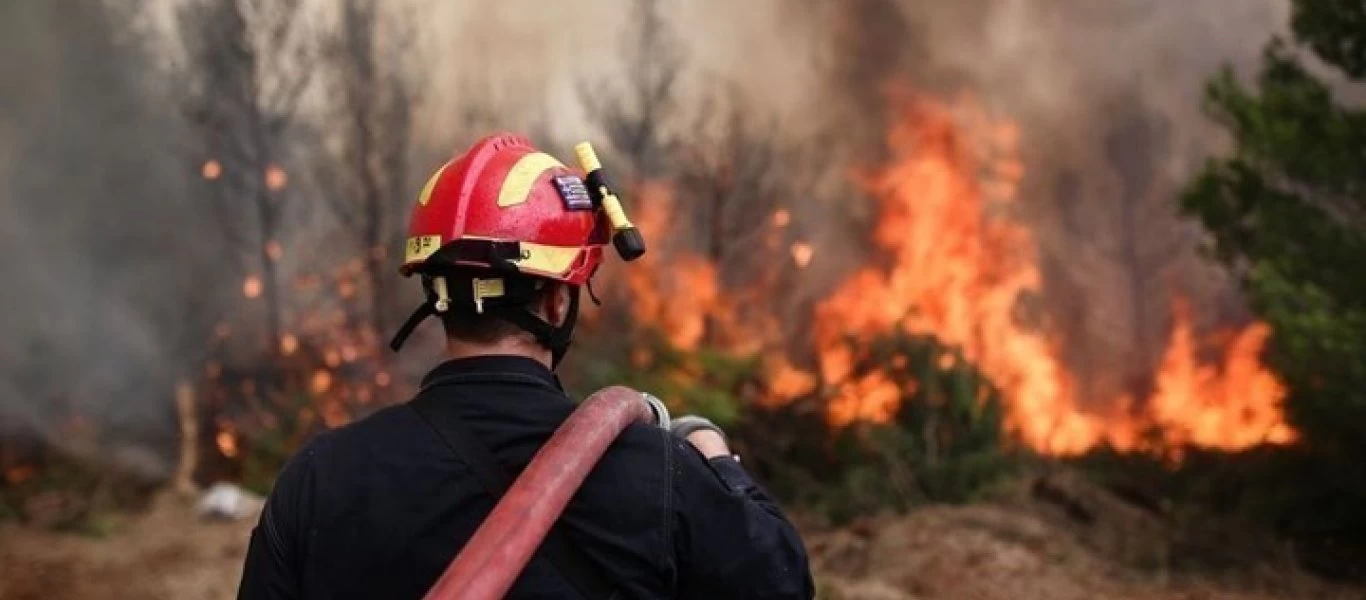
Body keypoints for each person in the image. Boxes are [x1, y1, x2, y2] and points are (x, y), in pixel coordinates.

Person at [237, 133, 814, 599]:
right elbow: (783, 583)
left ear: (436, 294)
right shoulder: (660, 476)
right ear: (558, 301)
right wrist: (714, 458)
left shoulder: (320, 479)